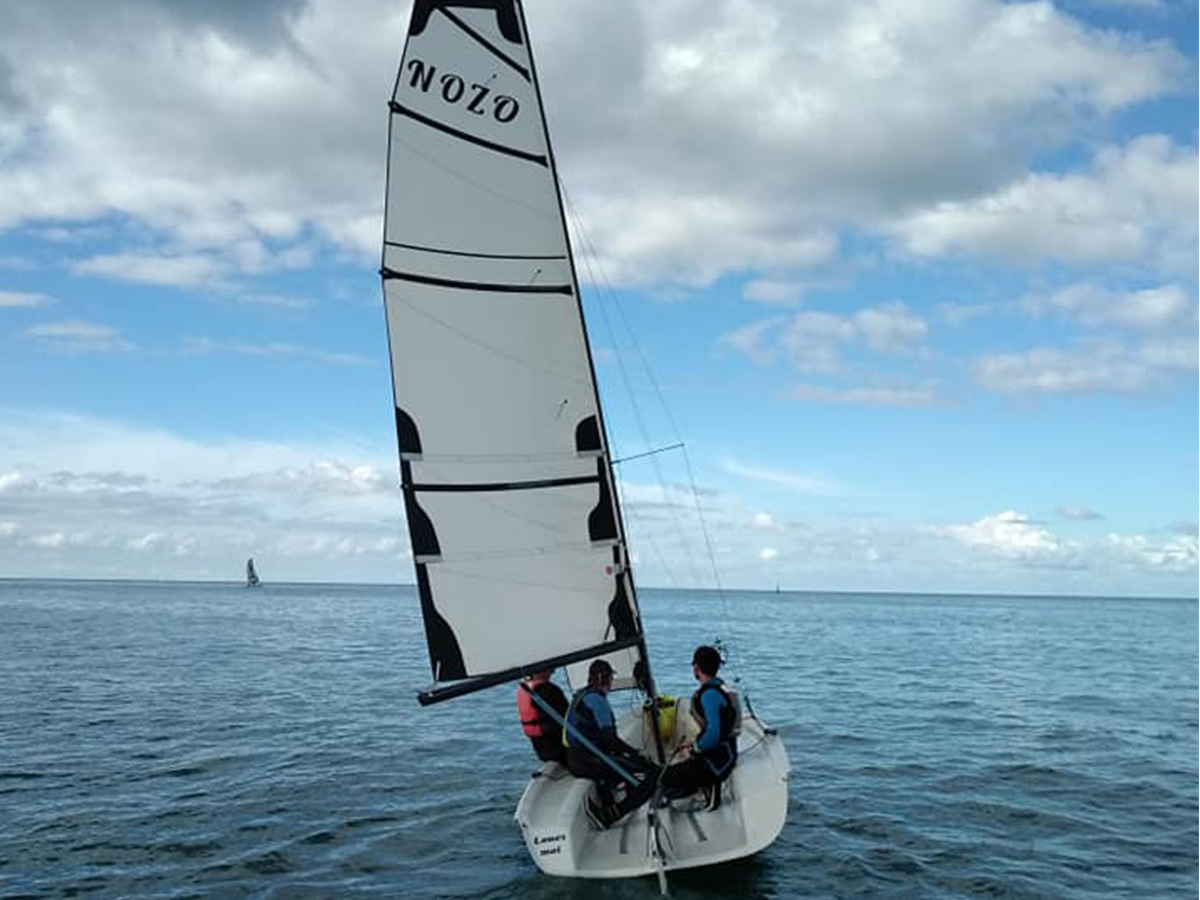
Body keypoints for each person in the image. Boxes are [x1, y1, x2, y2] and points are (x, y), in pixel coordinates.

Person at [564, 659, 659, 829]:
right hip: (591, 761)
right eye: (609, 678)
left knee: (628, 764)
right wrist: (635, 752)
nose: (611, 682)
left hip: (577, 759)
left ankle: (611, 802)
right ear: (602, 679)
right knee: (651, 774)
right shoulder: (597, 701)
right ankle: (612, 815)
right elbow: (610, 740)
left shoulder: (581, 696)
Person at [660, 645, 739, 809]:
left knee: (663, 778)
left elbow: (713, 734)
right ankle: (703, 786)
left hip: (717, 764)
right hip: (725, 754)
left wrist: (695, 748)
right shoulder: (721, 688)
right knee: (678, 769)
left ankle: (706, 794)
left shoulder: (709, 695)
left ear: (697, 668)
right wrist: (693, 746)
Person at [516, 669, 569, 764]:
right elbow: (568, 717)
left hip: (540, 750)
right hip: (558, 749)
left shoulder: (524, 688)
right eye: (550, 669)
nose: (553, 672)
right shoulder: (550, 690)